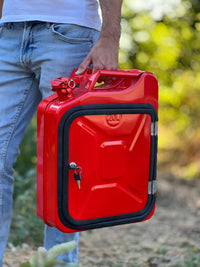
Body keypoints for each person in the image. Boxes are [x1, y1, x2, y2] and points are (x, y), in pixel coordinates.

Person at [0, 0, 122, 266]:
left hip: (69, 32)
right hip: (8, 31)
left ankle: (60, 262)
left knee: (65, 163)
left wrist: (111, 36)